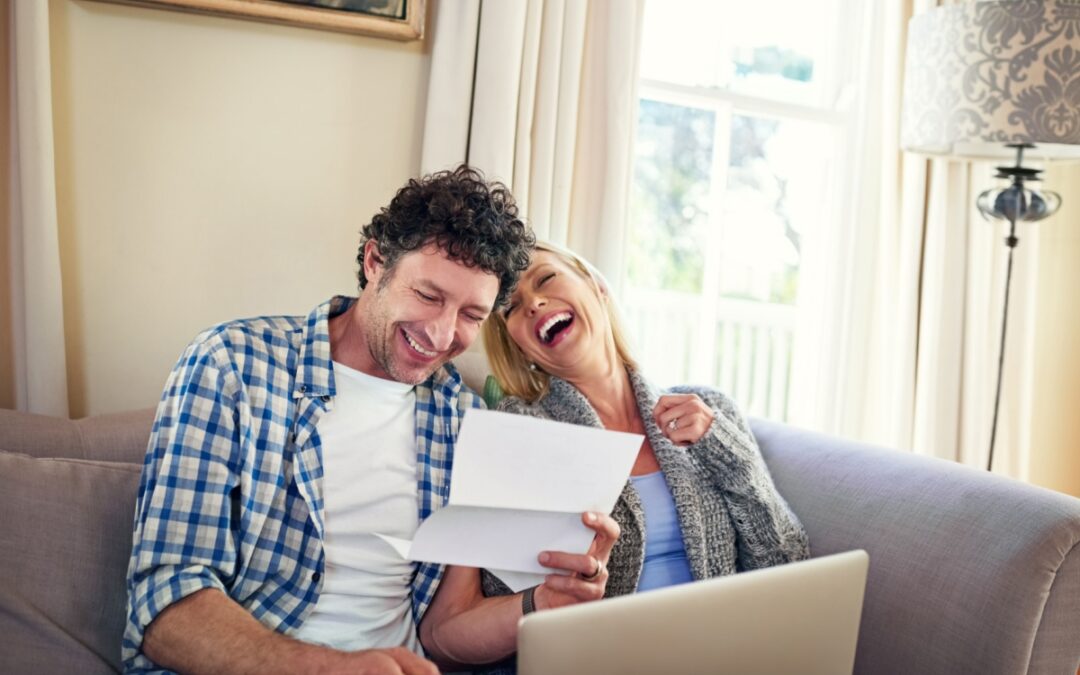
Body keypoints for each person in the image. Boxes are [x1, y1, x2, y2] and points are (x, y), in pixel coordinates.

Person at [122, 167, 619, 675]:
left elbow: (442, 635)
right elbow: (166, 600)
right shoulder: (233, 366)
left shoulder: (463, 418)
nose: (443, 334)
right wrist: (329, 669)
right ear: (376, 261)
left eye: (472, 315)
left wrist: (540, 604)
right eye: (428, 296)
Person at [423, 241, 810, 672]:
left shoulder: (708, 410)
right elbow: (448, 631)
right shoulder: (518, 434)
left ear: (597, 286)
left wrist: (725, 452)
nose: (533, 303)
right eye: (512, 307)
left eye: (546, 279)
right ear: (520, 347)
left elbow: (787, 566)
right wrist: (541, 600)